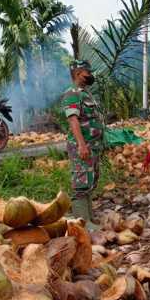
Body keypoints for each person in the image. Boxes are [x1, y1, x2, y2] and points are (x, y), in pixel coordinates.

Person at [61, 60, 105, 229]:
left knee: (90, 181)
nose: (90, 75)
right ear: (78, 73)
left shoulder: (86, 94)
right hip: (82, 146)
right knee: (81, 183)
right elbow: (73, 120)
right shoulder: (72, 94)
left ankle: (89, 219)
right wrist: (81, 145)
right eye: (88, 72)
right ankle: (82, 223)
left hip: (92, 146)